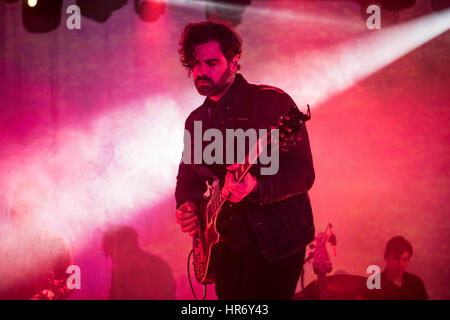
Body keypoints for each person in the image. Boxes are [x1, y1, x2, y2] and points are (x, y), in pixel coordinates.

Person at [174, 21, 315, 299]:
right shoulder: (196, 121)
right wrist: (186, 204)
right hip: (225, 247)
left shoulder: (272, 103)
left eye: (211, 62)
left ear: (234, 62)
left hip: (276, 243)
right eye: (195, 64)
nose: (201, 71)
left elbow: (303, 173)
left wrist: (256, 187)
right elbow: (187, 177)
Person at [0, 183, 73, 300]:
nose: (14, 211)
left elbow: (73, 282)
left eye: (24, 206)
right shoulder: (3, 242)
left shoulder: (58, 243)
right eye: (15, 205)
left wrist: (54, 294)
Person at [367, 236, 428, 300]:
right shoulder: (374, 284)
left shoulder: (416, 283)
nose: (400, 264)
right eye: (396, 258)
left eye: (404, 259)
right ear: (386, 256)